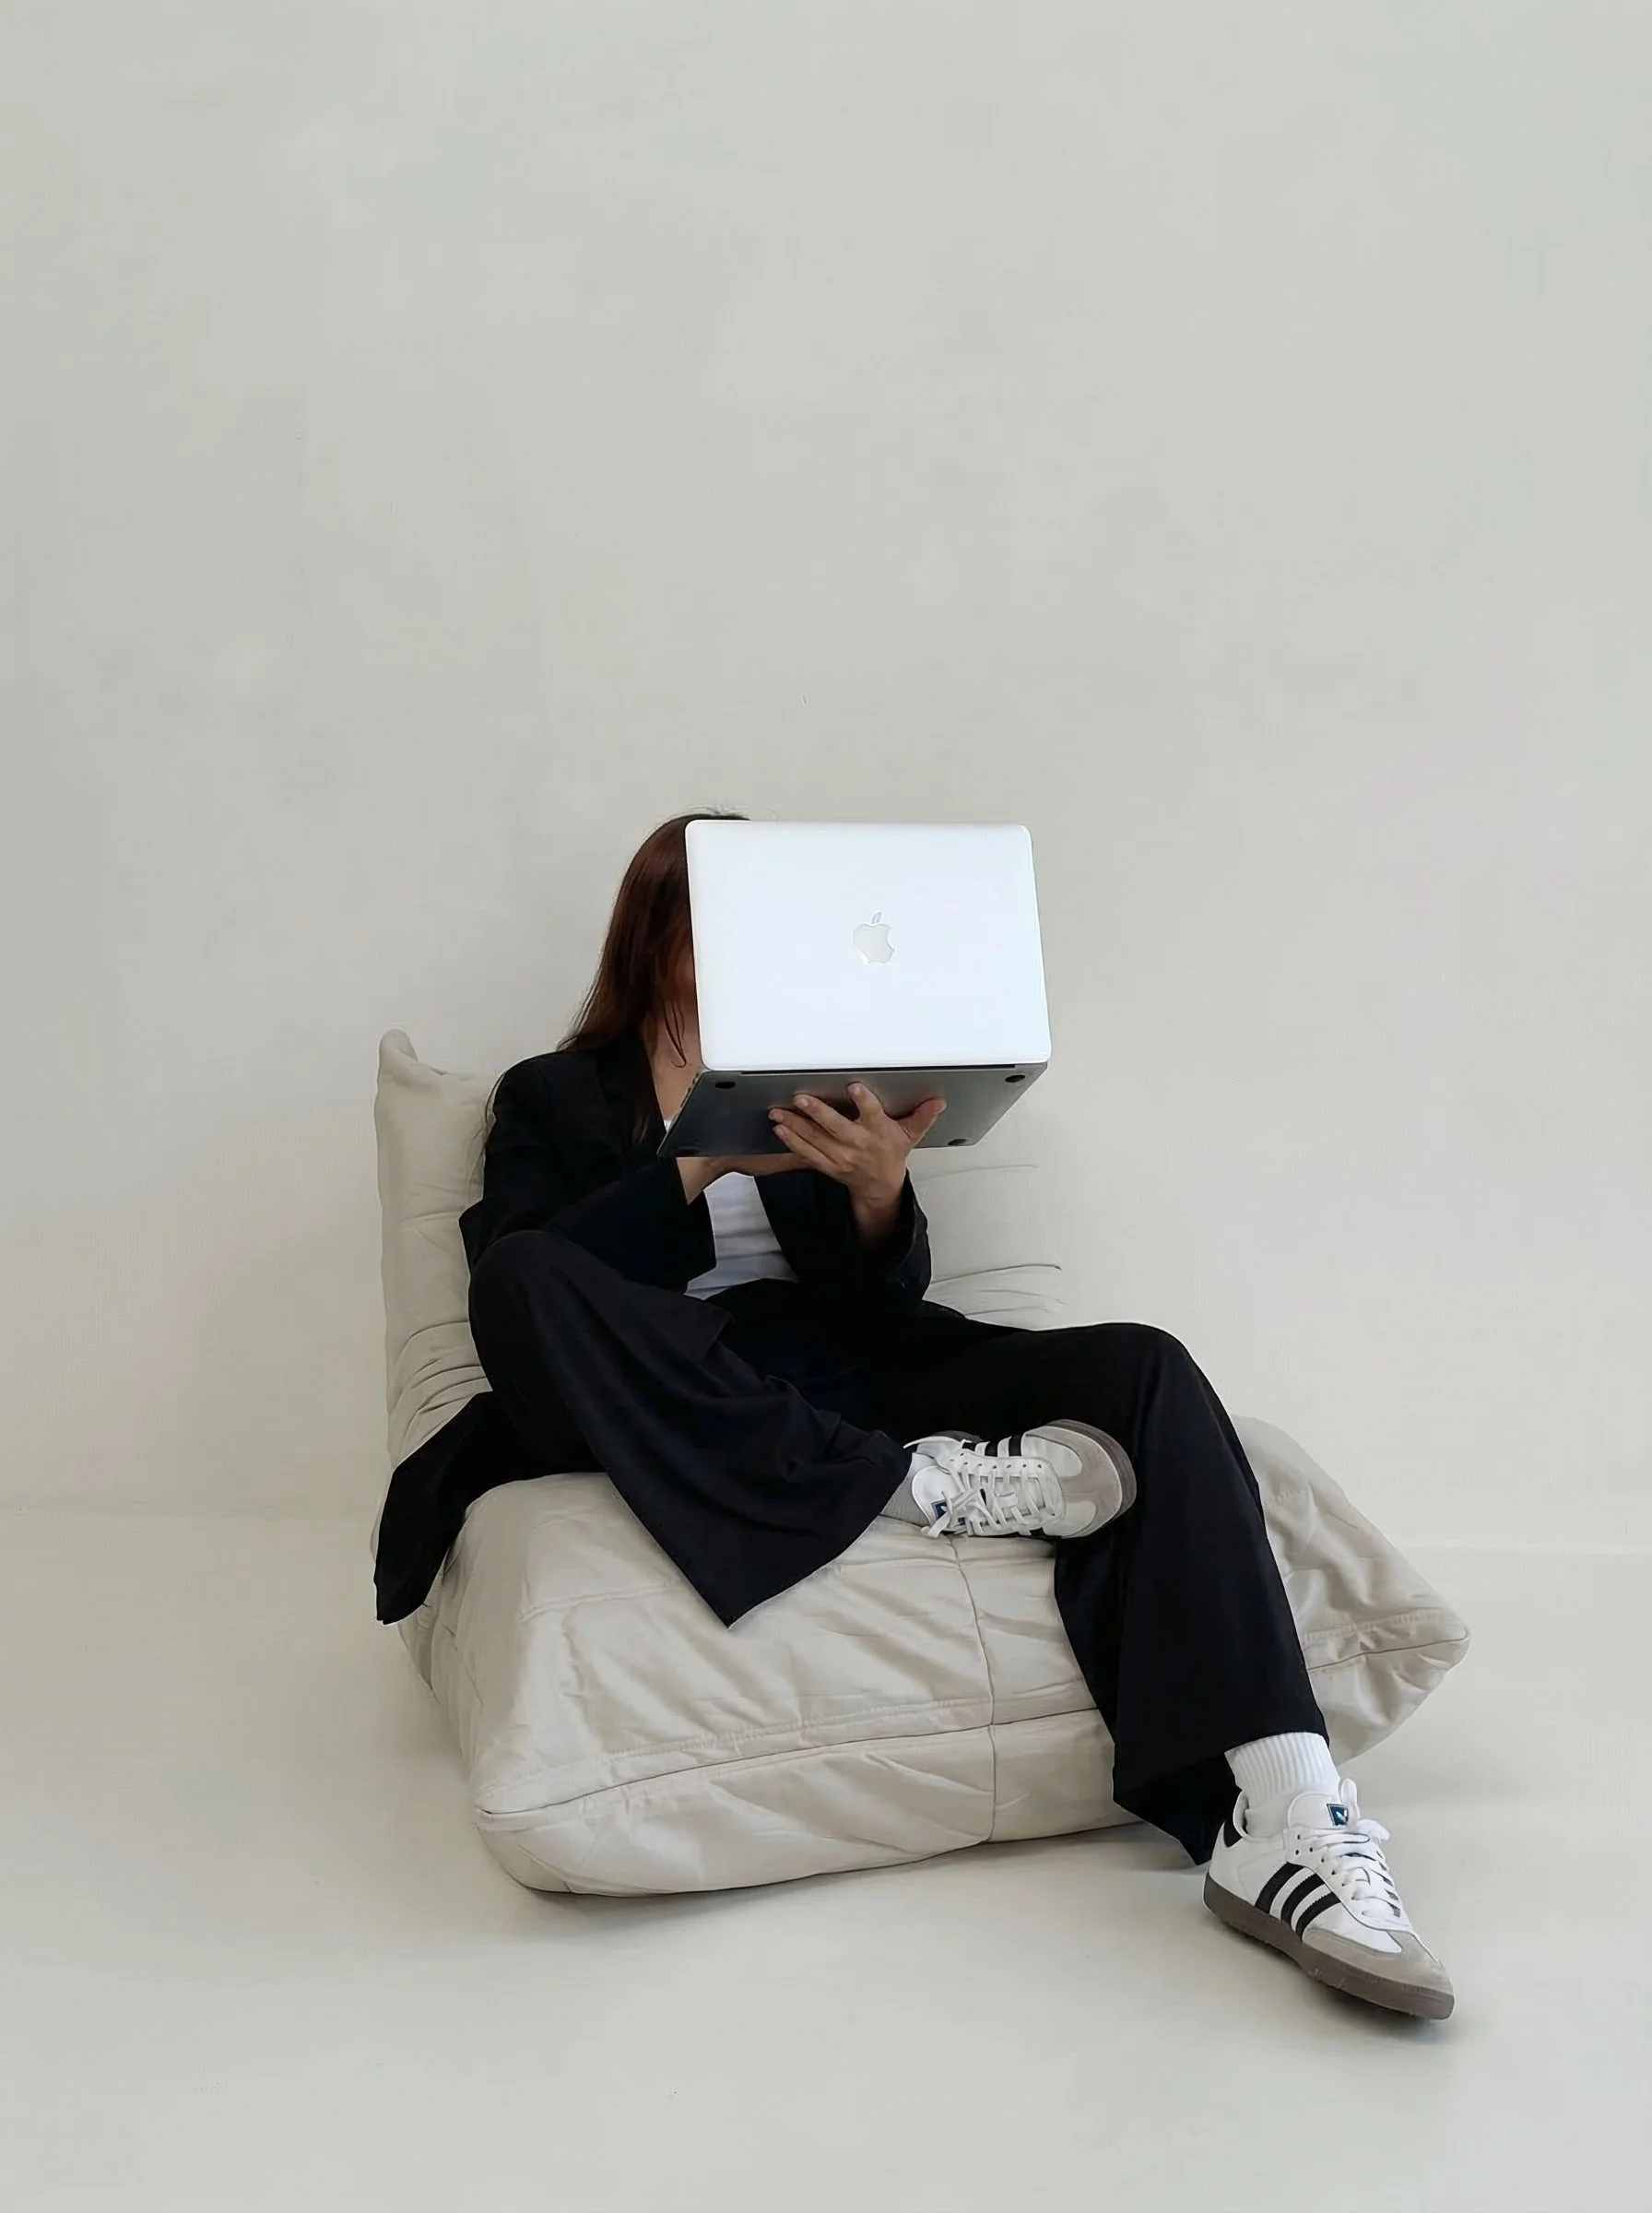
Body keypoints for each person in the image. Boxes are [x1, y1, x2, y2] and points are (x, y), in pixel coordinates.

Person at [373, 811, 1453, 2021]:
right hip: (649, 1387)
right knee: (527, 1272)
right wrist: (700, 1165)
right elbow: (523, 1285)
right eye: (724, 919)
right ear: (660, 934)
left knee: (1142, 1369)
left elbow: (877, 1304)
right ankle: (908, 1486)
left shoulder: (826, 1075)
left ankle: (1287, 1814)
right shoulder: (555, 1094)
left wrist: (880, 1195)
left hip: (826, 1366)